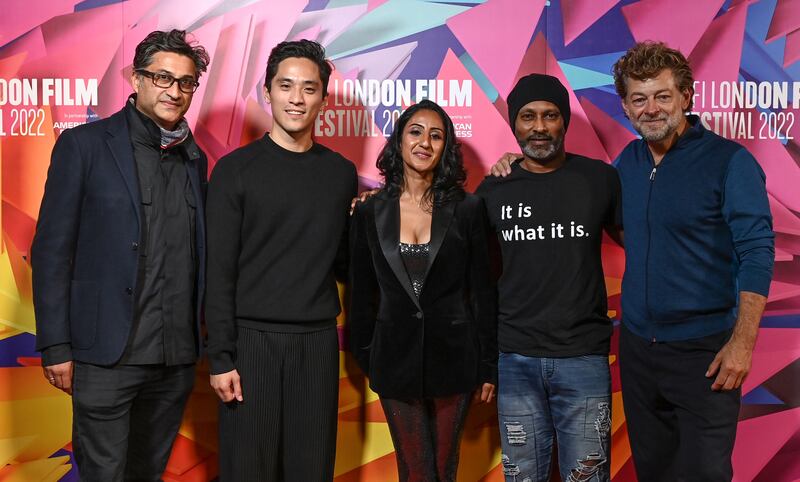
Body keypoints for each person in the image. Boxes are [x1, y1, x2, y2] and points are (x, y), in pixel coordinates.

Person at [31, 29, 209, 481]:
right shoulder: (85, 146)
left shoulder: (194, 158)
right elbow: (52, 250)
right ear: (137, 79)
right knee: (104, 475)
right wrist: (55, 344)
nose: (174, 91)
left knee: (147, 474)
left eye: (186, 82)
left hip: (174, 358)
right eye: (163, 78)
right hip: (106, 356)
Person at [610, 41, 774, 481]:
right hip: (639, 350)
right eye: (639, 99)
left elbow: (757, 250)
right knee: (654, 472)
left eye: (662, 96)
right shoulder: (626, 161)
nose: (651, 109)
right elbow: (606, 218)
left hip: (706, 352)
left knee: (704, 474)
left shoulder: (729, 161)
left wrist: (743, 343)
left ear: (685, 96)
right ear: (625, 106)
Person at [205, 39, 357, 481]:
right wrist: (221, 357)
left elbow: (344, 260)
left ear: (323, 99)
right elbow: (219, 271)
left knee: (311, 471)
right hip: (251, 345)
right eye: (285, 85)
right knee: (248, 471)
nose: (296, 98)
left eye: (309, 89)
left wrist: (371, 218)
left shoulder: (340, 173)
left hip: (317, 344)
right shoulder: (235, 170)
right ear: (266, 92)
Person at [477, 74, 621, 482]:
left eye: (550, 115)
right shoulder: (493, 189)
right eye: (527, 117)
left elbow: (643, 242)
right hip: (515, 358)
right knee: (521, 478)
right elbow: (477, 276)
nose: (539, 126)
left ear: (564, 123)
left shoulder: (600, 179)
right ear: (514, 125)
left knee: (587, 477)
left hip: (584, 357)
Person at [348, 99, 497, 482]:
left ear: (446, 147)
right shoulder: (370, 210)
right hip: (394, 360)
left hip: (456, 359)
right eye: (416, 132)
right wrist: (369, 355)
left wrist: (487, 367)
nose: (425, 143)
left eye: (436, 135)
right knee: (414, 471)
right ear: (399, 140)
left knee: (444, 469)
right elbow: (361, 294)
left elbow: (482, 292)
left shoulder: (468, 209)